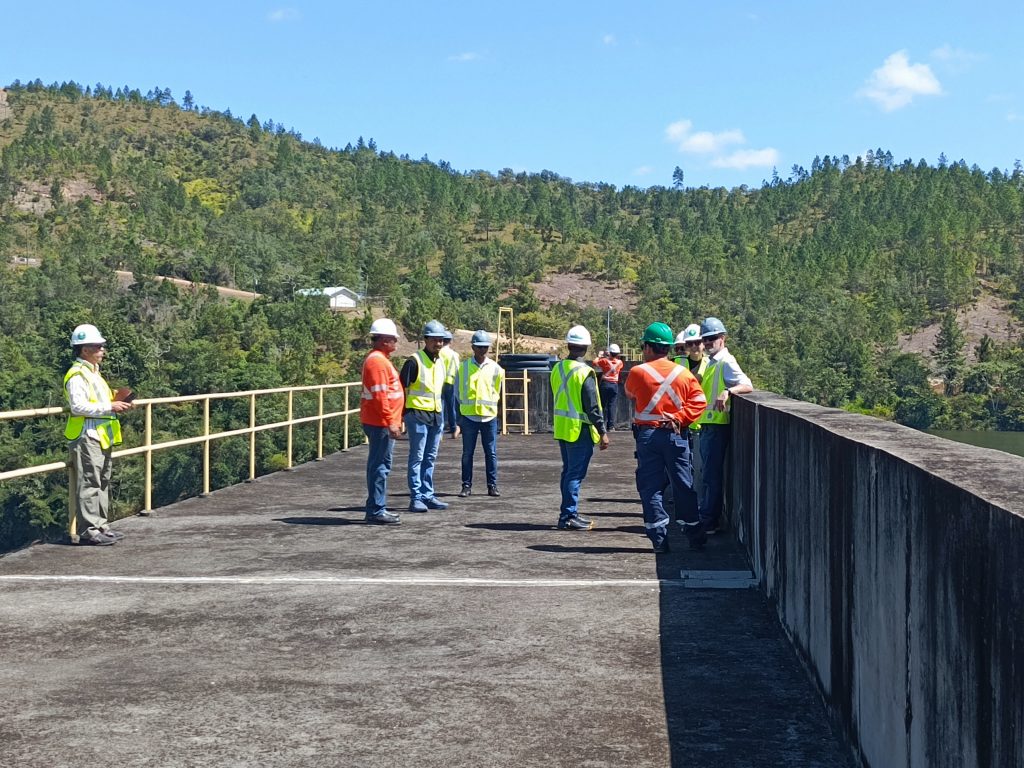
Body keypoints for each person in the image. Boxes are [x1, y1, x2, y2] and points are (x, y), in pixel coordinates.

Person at [624, 322, 707, 553]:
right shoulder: (683, 373)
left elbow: (629, 393)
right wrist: (680, 417)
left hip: (648, 436)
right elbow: (699, 401)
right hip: (675, 434)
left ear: (649, 347)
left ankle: (659, 539)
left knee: (650, 487)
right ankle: (694, 533)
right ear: (668, 348)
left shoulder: (638, 372)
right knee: (683, 484)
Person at [64, 324, 134, 545]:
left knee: (102, 481)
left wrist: (118, 399)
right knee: (90, 482)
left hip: (100, 435)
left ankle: (101, 525)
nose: (102, 350)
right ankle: (89, 531)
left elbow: (100, 400)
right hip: (87, 435)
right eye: (98, 346)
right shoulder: (77, 375)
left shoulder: (94, 374)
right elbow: (78, 407)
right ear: (84, 350)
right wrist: (110, 406)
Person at [698, 317, 754, 535]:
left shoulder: (726, 361)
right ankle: (707, 516)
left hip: (717, 426)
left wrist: (729, 391)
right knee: (707, 475)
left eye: (712, 338)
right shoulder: (711, 362)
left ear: (722, 338)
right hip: (708, 425)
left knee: (711, 476)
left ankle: (709, 520)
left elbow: (747, 385)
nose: (708, 342)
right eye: (706, 339)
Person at [551, 325, 609, 530]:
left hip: (563, 428)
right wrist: (602, 431)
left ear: (569, 345)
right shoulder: (585, 372)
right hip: (580, 430)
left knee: (568, 472)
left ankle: (569, 513)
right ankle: (567, 516)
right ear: (586, 347)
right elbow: (592, 406)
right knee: (574, 475)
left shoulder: (557, 368)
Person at [400, 320, 450, 512]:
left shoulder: (440, 362)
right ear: (426, 339)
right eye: (435, 340)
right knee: (417, 457)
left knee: (430, 457)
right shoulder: (414, 361)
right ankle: (416, 497)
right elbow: (401, 389)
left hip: (436, 415)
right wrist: (402, 416)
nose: (438, 344)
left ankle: (428, 494)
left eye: (441, 341)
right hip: (417, 415)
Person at [359, 318, 404, 525]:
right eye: (394, 338)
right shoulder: (377, 362)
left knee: (379, 465)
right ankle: (377, 509)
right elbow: (380, 396)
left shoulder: (379, 359)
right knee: (380, 466)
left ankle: (375, 507)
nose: (396, 341)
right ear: (385, 340)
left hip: (380, 422)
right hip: (380, 423)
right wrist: (390, 421)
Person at [455, 330, 505, 498]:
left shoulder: (496, 369)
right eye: (479, 347)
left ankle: (492, 485)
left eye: (485, 347)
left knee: (491, 452)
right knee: (467, 453)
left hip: (488, 417)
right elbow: (457, 391)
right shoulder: (464, 368)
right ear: (473, 347)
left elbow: (497, 391)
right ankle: (466, 486)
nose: (483, 350)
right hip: (469, 417)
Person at [593, 343, 624, 430]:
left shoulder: (604, 361)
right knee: (612, 405)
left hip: (605, 384)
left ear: (609, 353)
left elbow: (594, 362)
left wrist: (600, 356)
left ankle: (602, 424)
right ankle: (611, 426)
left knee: (603, 405)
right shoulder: (620, 363)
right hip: (614, 385)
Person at [439, 329, 461, 439]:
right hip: (450, 382)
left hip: (439, 382)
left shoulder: (438, 353)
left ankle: (440, 430)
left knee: (441, 406)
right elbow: (458, 369)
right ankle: (453, 427)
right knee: (451, 407)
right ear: (450, 341)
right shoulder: (453, 354)